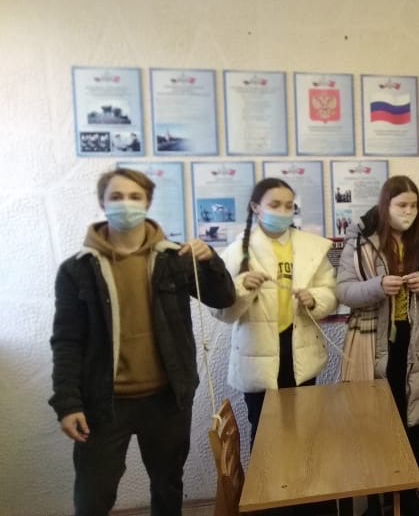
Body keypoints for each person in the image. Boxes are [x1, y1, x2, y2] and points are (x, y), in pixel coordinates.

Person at [49, 168, 235, 516]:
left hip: (168, 399)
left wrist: (211, 260)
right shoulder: (77, 270)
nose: (126, 204)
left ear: (147, 202)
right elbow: (66, 341)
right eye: (116, 197)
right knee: (92, 496)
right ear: (102, 202)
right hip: (103, 403)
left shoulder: (175, 259)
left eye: (135, 197)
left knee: (168, 487)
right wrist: (68, 403)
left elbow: (223, 298)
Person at [336, 175, 419, 516]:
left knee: (413, 419)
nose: (409, 212)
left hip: (417, 339)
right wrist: (376, 286)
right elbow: (343, 290)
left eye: (414, 205)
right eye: (401, 205)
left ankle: (409, 496)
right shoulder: (362, 238)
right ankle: (376, 500)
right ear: (386, 206)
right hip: (373, 342)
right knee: (373, 423)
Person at [211, 178, 338, 447]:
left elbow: (330, 292)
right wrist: (242, 288)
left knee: (304, 426)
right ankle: (267, 475)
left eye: (289, 206)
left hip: (299, 350)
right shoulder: (237, 251)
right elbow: (220, 311)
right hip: (257, 354)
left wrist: (314, 299)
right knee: (264, 431)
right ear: (256, 208)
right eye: (275, 205)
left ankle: (302, 475)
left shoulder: (311, 247)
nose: (283, 211)